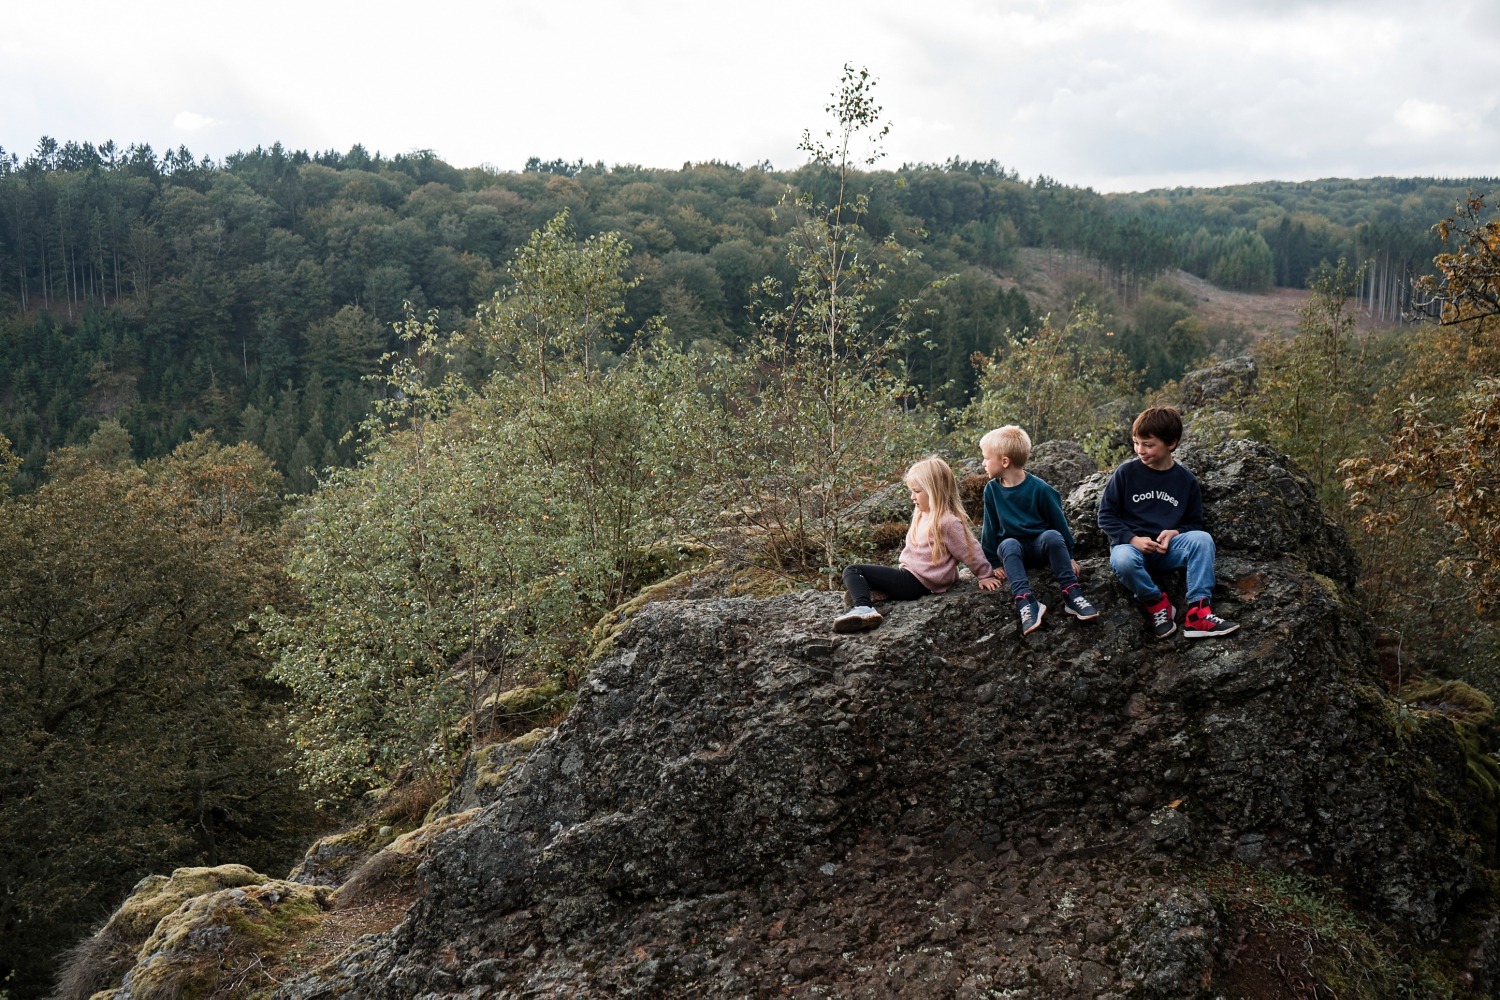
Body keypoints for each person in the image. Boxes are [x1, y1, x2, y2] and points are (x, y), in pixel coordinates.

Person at [1097, 405, 1239, 639]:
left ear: (1171, 443)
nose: (1140, 450)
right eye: (1136, 443)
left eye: (1149, 445)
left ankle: (1198, 613)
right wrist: (1133, 539)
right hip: (1131, 548)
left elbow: (1195, 523)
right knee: (1122, 560)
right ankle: (1156, 602)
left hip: (1168, 550)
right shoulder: (1126, 473)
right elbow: (1106, 516)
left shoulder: (1186, 481)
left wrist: (1175, 532)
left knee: (1202, 540)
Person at [834, 456, 1003, 633]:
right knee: (874, 578)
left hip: (914, 581)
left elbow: (969, 549)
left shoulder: (946, 522)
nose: (912, 497)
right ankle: (877, 594)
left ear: (934, 491)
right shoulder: (923, 513)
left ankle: (864, 608)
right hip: (912, 578)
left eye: (916, 491)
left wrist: (985, 575)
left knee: (853, 571)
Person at [979, 425, 1099, 636]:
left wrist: (1069, 556)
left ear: (1004, 461)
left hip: (1040, 548)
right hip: (1013, 553)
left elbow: (1059, 523)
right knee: (1007, 543)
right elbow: (990, 528)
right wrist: (993, 562)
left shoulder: (1041, 489)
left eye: (987, 458)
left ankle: (1072, 593)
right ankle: (1026, 602)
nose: (983, 463)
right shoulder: (991, 490)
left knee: (1052, 536)